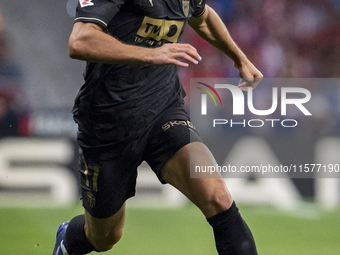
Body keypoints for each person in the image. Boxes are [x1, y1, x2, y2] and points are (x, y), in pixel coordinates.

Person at [52, 0, 263, 254]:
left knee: (217, 197)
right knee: (104, 238)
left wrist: (239, 58)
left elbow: (203, 17)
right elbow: (80, 41)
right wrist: (150, 54)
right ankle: (67, 239)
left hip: (163, 111)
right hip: (108, 123)